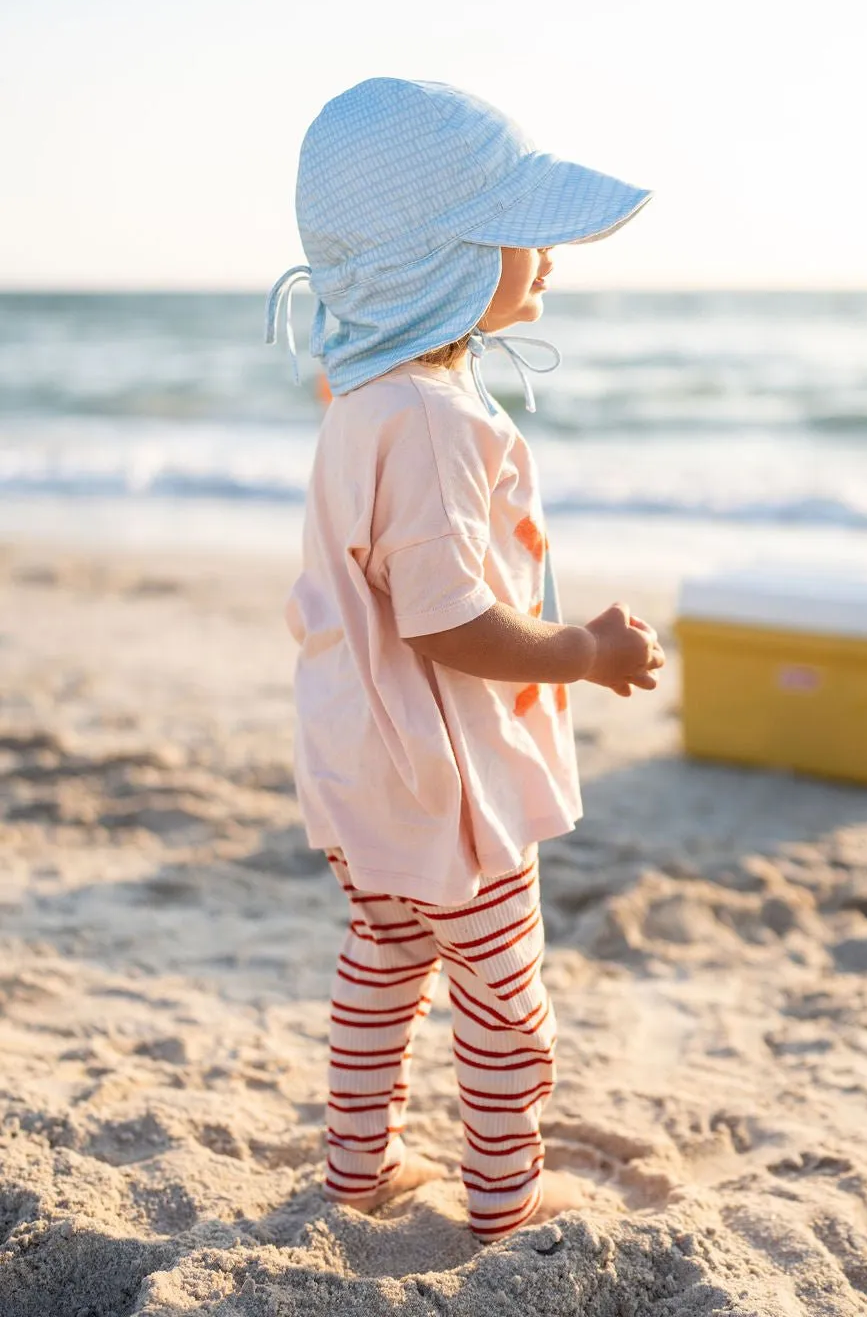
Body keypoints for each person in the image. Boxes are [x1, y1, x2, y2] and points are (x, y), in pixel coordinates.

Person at [265, 77, 665, 1240]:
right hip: (449, 794)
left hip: (360, 779)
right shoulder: (439, 425)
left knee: (383, 968)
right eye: (519, 229)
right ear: (443, 259)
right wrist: (583, 650)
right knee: (503, 1006)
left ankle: (357, 1172)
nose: (547, 252)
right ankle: (502, 1202)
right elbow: (444, 621)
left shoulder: (364, 402)